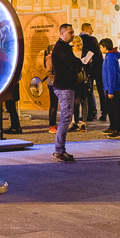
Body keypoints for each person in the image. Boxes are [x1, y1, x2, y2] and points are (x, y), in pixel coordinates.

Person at [50, 23, 83, 163]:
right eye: (70, 32)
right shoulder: (61, 48)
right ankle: (59, 150)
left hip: (65, 86)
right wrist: (80, 63)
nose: (73, 34)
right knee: (66, 118)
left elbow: (74, 63)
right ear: (62, 33)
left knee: (66, 117)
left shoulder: (64, 47)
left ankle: (60, 149)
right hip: (64, 86)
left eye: (73, 32)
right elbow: (73, 63)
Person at [79, 23, 105, 122]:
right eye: (91, 29)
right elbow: (98, 55)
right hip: (97, 68)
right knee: (100, 90)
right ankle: (104, 113)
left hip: (86, 69)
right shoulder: (93, 40)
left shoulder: (79, 40)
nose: (92, 31)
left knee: (89, 91)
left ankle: (90, 113)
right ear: (86, 29)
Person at [99, 38, 120, 139]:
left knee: (115, 109)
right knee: (110, 108)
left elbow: (111, 74)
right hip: (109, 87)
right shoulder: (109, 56)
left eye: (101, 47)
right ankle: (112, 126)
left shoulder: (110, 57)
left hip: (112, 88)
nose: (100, 49)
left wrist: (111, 90)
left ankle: (117, 130)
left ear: (105, 47)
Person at [69, 35, 89, 132]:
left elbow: (90, 68)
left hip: (83, 78)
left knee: (84, 101)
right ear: (73, 45)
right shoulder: (70, 53)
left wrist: (89, 63)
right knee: (75, 102)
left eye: (81, 44)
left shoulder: (85, 52)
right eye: (77, 45)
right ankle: (76, 122)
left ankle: (84, 122)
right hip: (73, 79)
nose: (80, 47)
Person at [44, 44, 58, 134]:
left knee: (55, 104)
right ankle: (52, 125)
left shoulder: (53, 57)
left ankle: (54, 124)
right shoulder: (49, 58)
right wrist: (53, 79)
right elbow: (48, 71)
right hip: (52, 83)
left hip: (54, 82)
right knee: (53, 104)